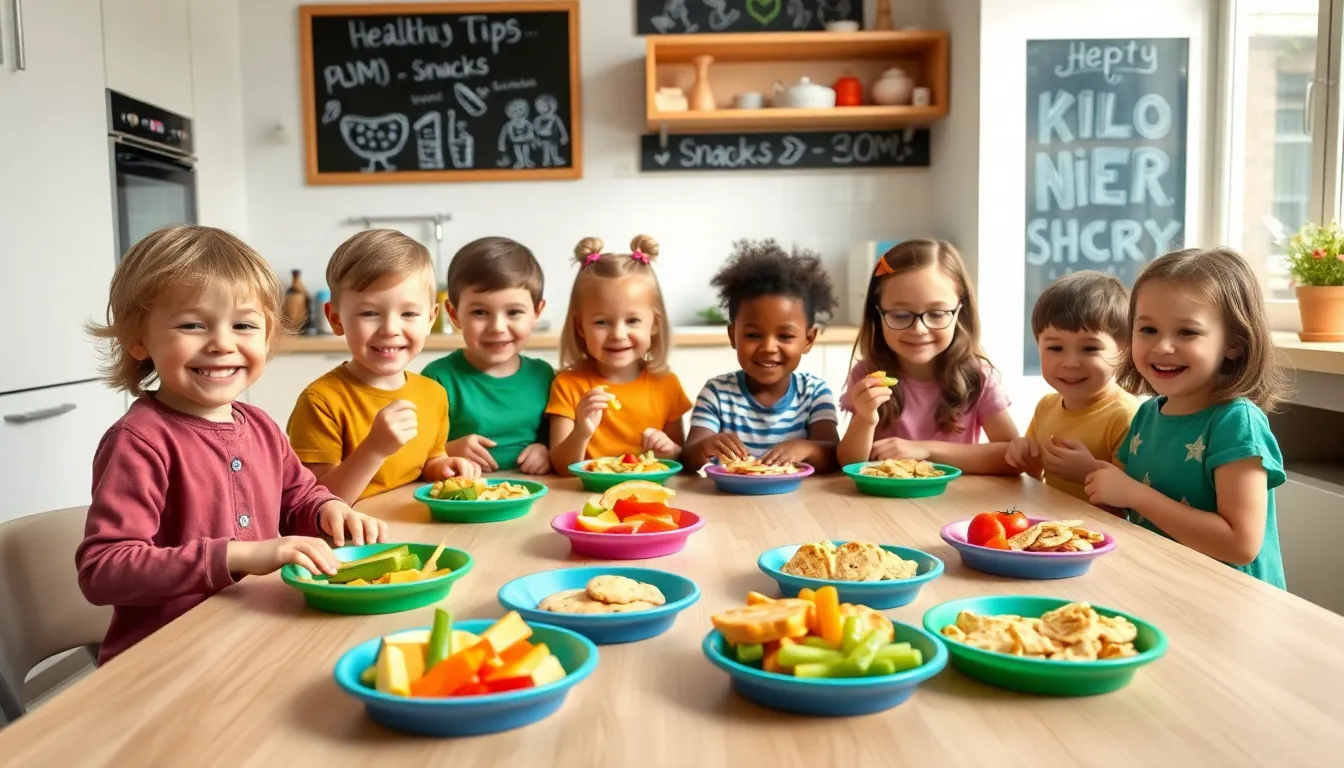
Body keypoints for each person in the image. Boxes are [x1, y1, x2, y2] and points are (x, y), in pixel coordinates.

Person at [76, 225, 386, 664]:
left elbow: (299, 496)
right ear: (139, 338)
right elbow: (103, 570)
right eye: (192, 324)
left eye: (243, 324)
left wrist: (327, 511)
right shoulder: (140, 441)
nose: (222, 343)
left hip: (252, 638)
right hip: (164, 660)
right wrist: (238, 555)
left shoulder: (259, 425)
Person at [1084, 248, 1290, 588]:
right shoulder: (1147, 414)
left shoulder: (1236, 423)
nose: (1163, 347)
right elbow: (1123, 507)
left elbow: (1240, 545)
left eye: (1187, 332)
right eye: (1148, 329)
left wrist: (1134, 495)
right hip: (1167, 588)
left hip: (1233, 607)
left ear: (1234, 343)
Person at [287, 229, 477, 502]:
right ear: (336, 319)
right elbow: (315, 504)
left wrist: (443, 467)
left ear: (430, 318)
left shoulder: (433, 394)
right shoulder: (321, 402)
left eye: (409, 313)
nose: (390, 329)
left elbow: (429, 460)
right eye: (369, 313)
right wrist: (375, 448)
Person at [836, 239, 1018, 473]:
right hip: (885, 506)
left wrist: (926, 450)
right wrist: (866, 418)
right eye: (901, 315)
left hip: (956, 503)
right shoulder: (868, 374)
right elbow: (849, 464)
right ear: (877, 314)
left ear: (960, 313)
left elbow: (1013, 456)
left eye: (937, 313)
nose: (919, 329)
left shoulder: (977, 376)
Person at [683, 239, 840, 471]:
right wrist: (707, 446)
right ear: (732, 335)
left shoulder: (814, 394)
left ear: (809, 339)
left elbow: (836, 457)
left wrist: (805, 448)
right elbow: (686, 459)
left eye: (785, 336)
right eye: (754, 335)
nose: (768, 347)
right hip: (728, 501)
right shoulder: (717, 393)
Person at [547, 235, 691, 471]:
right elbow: (561, 467)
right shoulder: (568, 385)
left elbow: (680, 460)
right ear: (580, 327)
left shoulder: (667, 385)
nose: (618, 334)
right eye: (602, 322)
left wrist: (672, 451)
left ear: (654, 324)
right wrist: (582, 430)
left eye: (632, 320)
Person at [1006, 271, 1139, 506]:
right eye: (1055, 348)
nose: (1070, 362)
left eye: (1090, 349)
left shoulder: (1127, 416)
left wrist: (1088, 472)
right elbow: (1033, 475)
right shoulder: (1046, 405)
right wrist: (1022, 452)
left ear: (1125, 351)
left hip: (1103, 537)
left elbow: (1130, 509)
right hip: (1052, 526)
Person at [422, 236, 553, 474]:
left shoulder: (545, 376)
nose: (497, 327)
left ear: (536, 312)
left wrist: (546, 449)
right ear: (454, 314)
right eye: (480, 312)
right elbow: (414, 455)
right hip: (464, 498)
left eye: (514, 312)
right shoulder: (437, 378)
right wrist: (449, 450)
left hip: (537, 492)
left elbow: (560, 440)